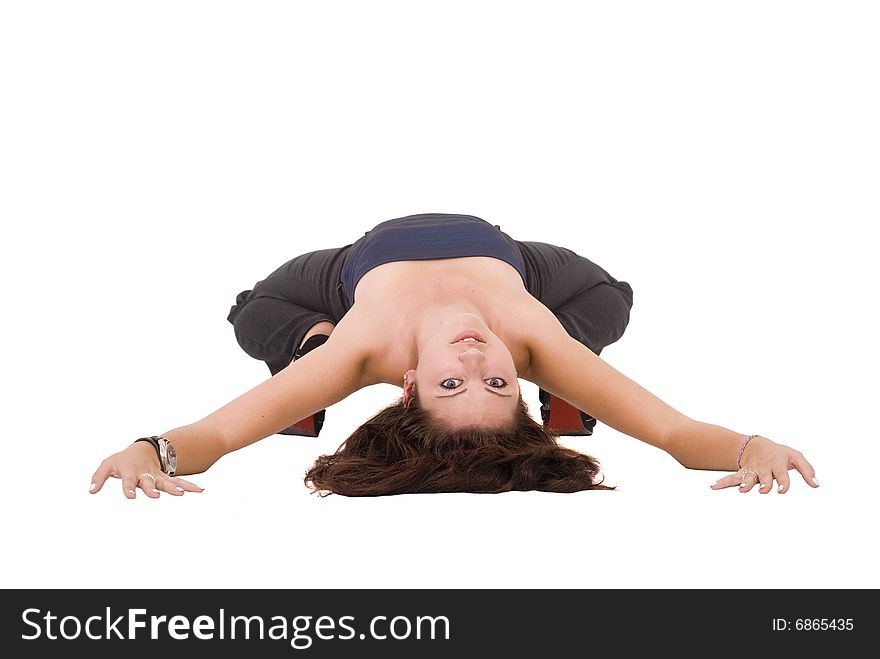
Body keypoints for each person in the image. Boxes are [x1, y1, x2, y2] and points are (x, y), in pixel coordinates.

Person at [89, 212, 819, 498]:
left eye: (449, 381)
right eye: (499, 380)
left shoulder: (359, 349)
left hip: (354, 270)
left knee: (253, 312)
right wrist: (757, 446)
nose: (475, 354)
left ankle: (299, 355)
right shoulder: (532, 334)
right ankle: (577, 378)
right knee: (610, 297)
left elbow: (212, 438)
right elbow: (676, 435)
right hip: (516, 263)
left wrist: (146, 452)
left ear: (407, 385)